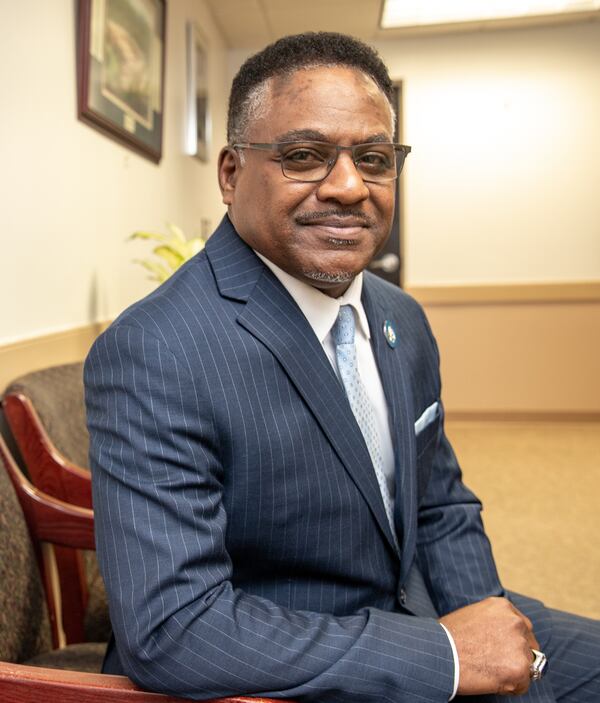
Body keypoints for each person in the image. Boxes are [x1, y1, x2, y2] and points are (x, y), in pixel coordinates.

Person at [84, 32, 600, 702]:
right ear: (232, 173)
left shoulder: (401, 317)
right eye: (304, 155)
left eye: (375, 158)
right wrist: (442, 656)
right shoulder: (156, 349)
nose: (350, 186)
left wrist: (487, 632)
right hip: (286, 669)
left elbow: (440, 503)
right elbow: (177, 629)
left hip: (426, 611)